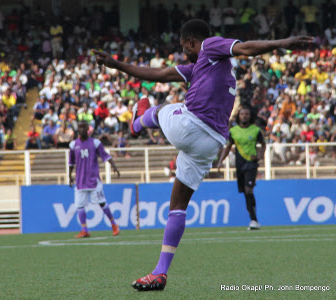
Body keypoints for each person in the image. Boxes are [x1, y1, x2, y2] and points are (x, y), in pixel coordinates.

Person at [92, 18, 313, 291]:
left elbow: (245, 49)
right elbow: (158, 75)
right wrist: (119, 66)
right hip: (211, 144)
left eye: (183, 45)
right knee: (178, 206)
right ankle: (160, 273)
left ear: (190, 41)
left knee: (161, 109)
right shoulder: (201, 67)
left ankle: (138, 122)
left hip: (191, 126)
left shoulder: (209, 46)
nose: (183, 50)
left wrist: (284, 43)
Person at [69, 121, 121, 238]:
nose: (82, 129)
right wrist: (69, 176)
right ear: (78, 129)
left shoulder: (95, 143)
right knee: (79, 206)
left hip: (94, 180)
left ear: (88, 128)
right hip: (80, 181)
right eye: (80, 127)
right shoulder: (73, 145)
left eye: (84, 127)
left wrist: (114, 167)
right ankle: (85, 230)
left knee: (102, 203)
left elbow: (105, 156)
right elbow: (71, 162)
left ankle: (114, 225)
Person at [217, 105, 266, 230]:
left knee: (249, 189)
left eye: (247, 114)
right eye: (242, 114)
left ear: (250, 116)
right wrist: (220, 161)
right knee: (245, 192)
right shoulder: (233, 131)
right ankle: (253, 219)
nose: (245, 116)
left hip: (251, 164)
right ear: (239, 116)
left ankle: (254, 220)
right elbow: (228, 147)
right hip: (239, 165)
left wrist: (259, 156)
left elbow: (263, 145)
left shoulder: (255, 130)